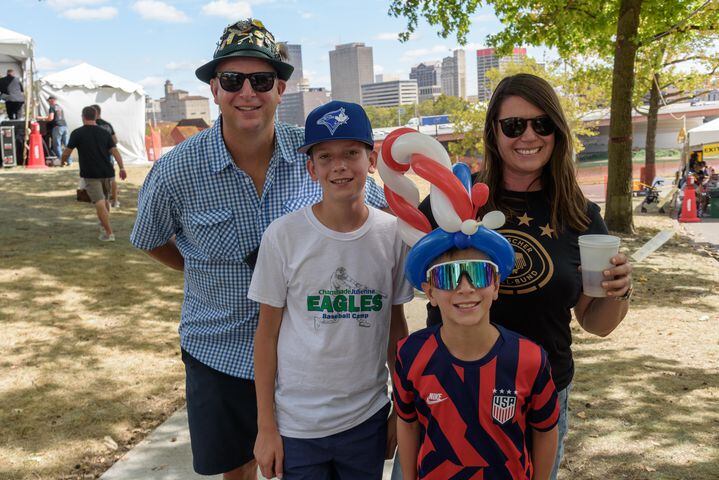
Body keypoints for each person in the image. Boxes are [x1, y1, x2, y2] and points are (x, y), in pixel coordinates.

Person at [130, 19, 387, 480]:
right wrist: (198, 270)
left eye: (261, 80)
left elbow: (380, 215)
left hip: (311, 356)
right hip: (221, 348)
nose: (247, 92)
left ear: (280, 88)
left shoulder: (318, 156)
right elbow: (149, 238)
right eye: (232, 80)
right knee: (240, 470)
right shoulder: (175, 171)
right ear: (214, 88)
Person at [418, 73, 633, 479]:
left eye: (542, 123)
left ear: (557, 131)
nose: (528, 136)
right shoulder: (455, 199)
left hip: (540, 395)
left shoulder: (580, 214)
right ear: (494, 133)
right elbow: (411, 272)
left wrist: (618, 291)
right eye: (514, 125)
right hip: (448, 387)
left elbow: (596, 323)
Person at [250, 101, 412, 480]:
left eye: (351, 153)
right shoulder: (284, 236)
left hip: (366, 419)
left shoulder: (392, 235)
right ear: (312, 168)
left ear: (371, 160)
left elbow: (396, 327)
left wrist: (398, 409)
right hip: (298, 426)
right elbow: (266, 335)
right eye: (325, 156)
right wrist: (266, 427)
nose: (339, 166)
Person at [392, 183, 559, 478]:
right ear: (429, 292)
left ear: (495, 286)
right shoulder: (410, 354)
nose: (465, 288)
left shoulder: (530, 359)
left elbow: (545, 431)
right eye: (449, 276)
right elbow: (407, 423)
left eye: (479, 273)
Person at [61, 106, 127, 242]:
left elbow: (67, 152)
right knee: (106, 201)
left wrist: (62, 161)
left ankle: (109, 233)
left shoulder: (77, 133)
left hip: (90, 174)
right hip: (107, 172)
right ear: (96, 115)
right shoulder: (104, 132)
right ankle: (104, 225)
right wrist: (122, 168)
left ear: (83, 116)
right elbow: (115, 151)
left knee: (99, 202)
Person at [91, 104, 120, 208]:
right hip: (108, 156)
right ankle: (115, 201)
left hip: (94, 157)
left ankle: (100, 200)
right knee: (111, 179)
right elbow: (115, 140)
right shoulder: (108, 125)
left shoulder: (91, 126)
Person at [42, 96, 69, 163]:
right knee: (66, 145)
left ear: (52, 100)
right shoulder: (60, 107)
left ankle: (61, 161)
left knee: (57, 145)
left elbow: (51, 118)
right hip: (64, 126)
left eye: (49, 101)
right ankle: (69, 161)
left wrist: (42, 118)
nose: (48, 102)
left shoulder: (52, 107)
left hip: (57, 127)